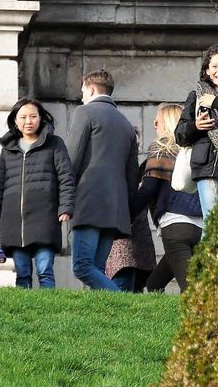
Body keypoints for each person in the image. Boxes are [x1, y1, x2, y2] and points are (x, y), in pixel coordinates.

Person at [0, 97, 75, 288]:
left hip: (45, 217)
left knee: (45, 271)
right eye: (23, 117)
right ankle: (26, 314)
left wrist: (65, 207)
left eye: (33, 116)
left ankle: (48, 310)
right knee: (23, 274)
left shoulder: (55, 144)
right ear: (15, 121)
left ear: (41, 118)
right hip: (14, 222)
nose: (28, 121)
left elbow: (66, 177)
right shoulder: (8, 149)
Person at [66, 69, 139, 291]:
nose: (81, 95)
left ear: (90, 88)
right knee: (97, 267)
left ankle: (124, 304)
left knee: (82, 266)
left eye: (82, 91)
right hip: (115, 208)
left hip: (88, 200)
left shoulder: (85, 113)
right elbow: (132, 174)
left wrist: (63, 196)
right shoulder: (126, 124)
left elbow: (72, 159)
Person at [132, 103, 203, 293]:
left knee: (190, 290)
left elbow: (148, 189)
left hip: (175, 225)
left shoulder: (161, 146)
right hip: (200, 226)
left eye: (157, 121)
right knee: (154, 284)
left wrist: (127, 216)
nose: (154, 125)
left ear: (167, 124)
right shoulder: (196, 148)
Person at [174, 44, 218, 224]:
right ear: (207, 70)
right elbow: (180, 135)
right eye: (214, 66)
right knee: (213, 221)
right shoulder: (196, 95)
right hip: (207, 169)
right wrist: (196, 126)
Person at [106, 128, 157, 293]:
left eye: (136, 143)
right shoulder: (111, 167)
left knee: (133, 290)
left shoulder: (142, 166)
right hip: (118, 240)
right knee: (122, 284)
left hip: (139, 238)